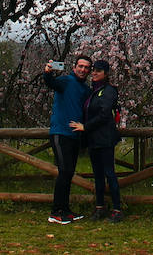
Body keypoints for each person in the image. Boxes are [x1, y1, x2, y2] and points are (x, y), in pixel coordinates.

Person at [70, 59, 123, 223]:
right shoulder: (93, 91)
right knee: (98, 174)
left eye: (98, 71)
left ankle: (117, 209)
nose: (94, 73)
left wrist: (85, 127)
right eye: (93, 70)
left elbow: (104, 114)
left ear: (105, 74)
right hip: (93, 139)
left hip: (104, 139)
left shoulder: (109, 91)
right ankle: (100, 207)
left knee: (109, 173)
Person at [43, 55, 91, 224]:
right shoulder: (66, 81)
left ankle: (65, 209)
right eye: (80, 66)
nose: (83, 70)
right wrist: (47, 72)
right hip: (60, 132)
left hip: (74, 135)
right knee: (64, 171)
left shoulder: (85, 89)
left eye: (86, 67)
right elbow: (50, 82)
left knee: (69, 172)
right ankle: (56, 211)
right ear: (74, 67)